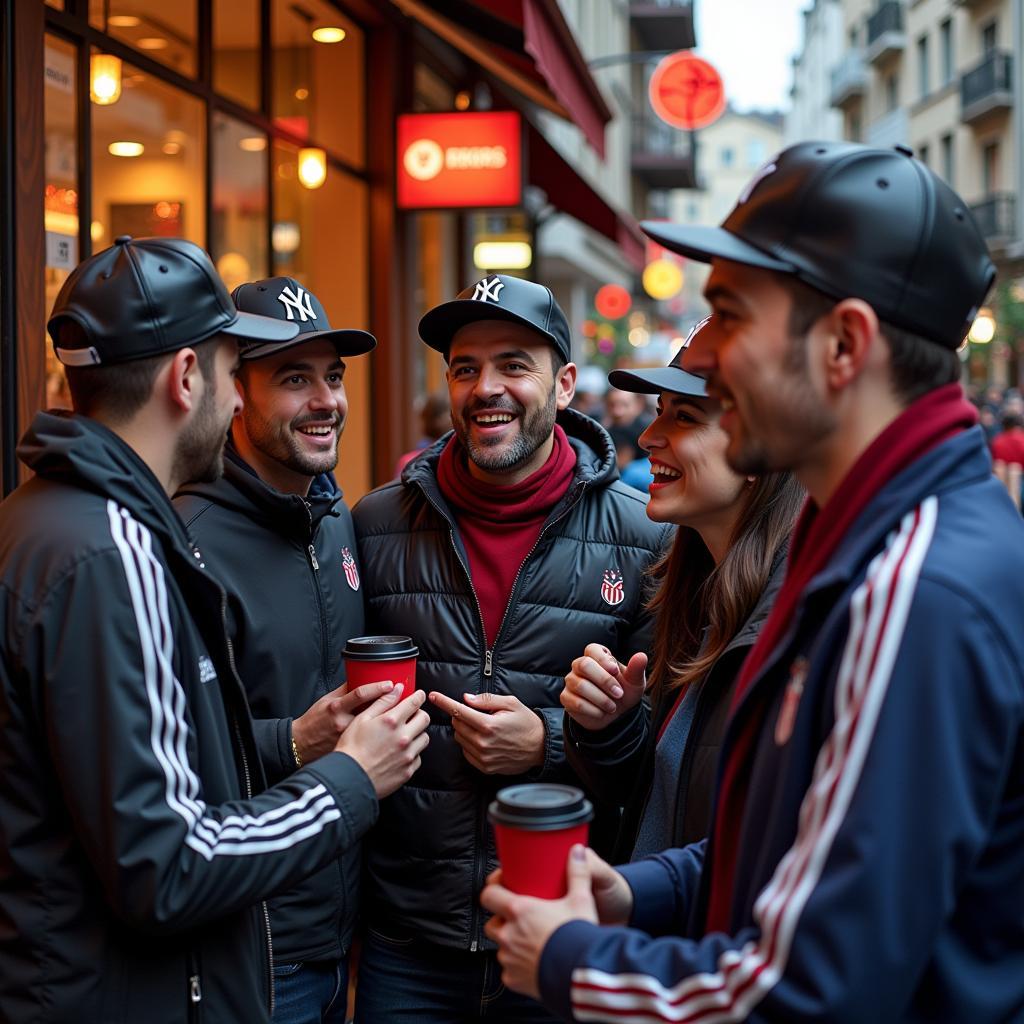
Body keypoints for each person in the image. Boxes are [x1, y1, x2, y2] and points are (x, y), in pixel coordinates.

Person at [482, 141, 1024, 1021]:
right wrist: (636, 895)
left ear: (844, 344)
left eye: (732, 317)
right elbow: (795, 852)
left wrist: (572, 959)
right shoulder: (845, 532)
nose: (708, 359)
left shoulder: (913, 585)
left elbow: (813, 988)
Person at [0, 237, 430, 1023]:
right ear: (188, 377)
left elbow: (144, 772)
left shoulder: (57, 519)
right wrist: (350, 781)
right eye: (238, 374)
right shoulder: (110, 549)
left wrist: (294, 745)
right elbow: (166, 864)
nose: (234, 402)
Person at [350, 273, 672, 1023]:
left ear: (562, 385)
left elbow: (668, 743)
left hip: (562, 928)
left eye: (513, 365)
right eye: (466, 368)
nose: (485, 388)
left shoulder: (646, 536)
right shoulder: (374, 526)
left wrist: (549, 743)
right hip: (407, 938)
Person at [173, 277, 379, 1023]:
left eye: (333, 376)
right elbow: (160, 763)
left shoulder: (336, 520)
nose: (325, 400)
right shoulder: (183, 542)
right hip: (250, 951)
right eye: (295, 378)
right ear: (233, 391)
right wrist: (291, 742)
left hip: (342, 942)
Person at [561, 320, 803, 862]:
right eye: (659, 410)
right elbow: (665, 803)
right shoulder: (697, 591)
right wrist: (613, 728)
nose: (649, 437)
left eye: (686, 416)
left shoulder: (794, 622)